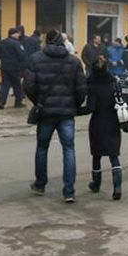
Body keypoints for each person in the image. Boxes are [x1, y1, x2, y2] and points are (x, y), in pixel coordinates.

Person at [24, 30, 87, 203]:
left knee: (42, 148)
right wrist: (75, 104)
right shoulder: (74, 62)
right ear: (63, 42)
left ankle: (40, 184)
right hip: (67, 113)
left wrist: (38, 101)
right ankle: (69, 191)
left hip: (45, 112)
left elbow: (28, 86)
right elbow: (82, 89)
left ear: (46, 41)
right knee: (69, 149)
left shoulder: (35, 59)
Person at [78, 56, 125, 201]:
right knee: (114, 155)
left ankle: (96, 183)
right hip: (113, 122)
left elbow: (90, 108)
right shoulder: (114, 82)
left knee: (96, 155)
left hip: (97, 123)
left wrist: (75, 111)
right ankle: (117, 186)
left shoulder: (92, 85)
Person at [0, 27, 27, 109]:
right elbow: (22, 55)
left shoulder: (1, 42)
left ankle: (1, 102)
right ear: (13, 34)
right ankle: (18, 102)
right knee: (17, 84)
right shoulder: (16, 43)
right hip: (15, 67)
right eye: (17, 34)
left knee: (4, 84)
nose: (19, 35)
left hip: (4, 66)